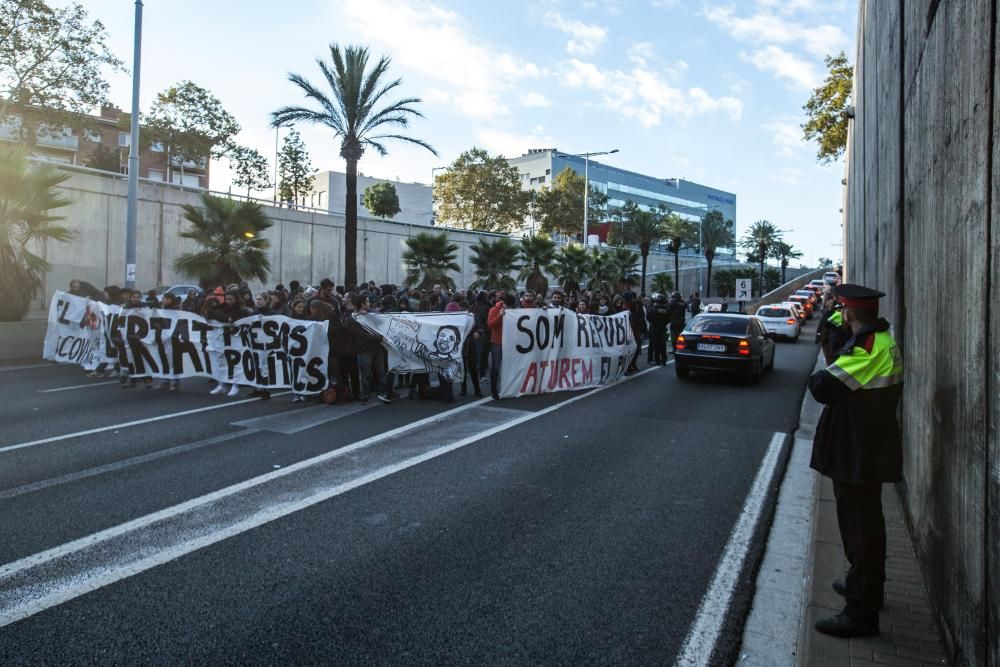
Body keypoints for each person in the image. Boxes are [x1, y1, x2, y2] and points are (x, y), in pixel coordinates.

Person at [809, 284, 903, 639]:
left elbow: (821, 385)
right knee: (865, 525)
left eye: (842, 310)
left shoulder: (866, 349)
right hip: (868, 446)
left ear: (847, 312)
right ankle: (863, 588)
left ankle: (861, 613)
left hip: (858, 451)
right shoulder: (882, 340)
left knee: (859, 530)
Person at [646, 293, 671, 365]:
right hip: (663, 328)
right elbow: (669, 318)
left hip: (654, 328)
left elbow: (648, 317)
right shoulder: (667, 309)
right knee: (663, 344)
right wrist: (664, 324)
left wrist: (653, 323)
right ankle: (664, 360)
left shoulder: (653, 308)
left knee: (654, 344)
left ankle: (656, 360)